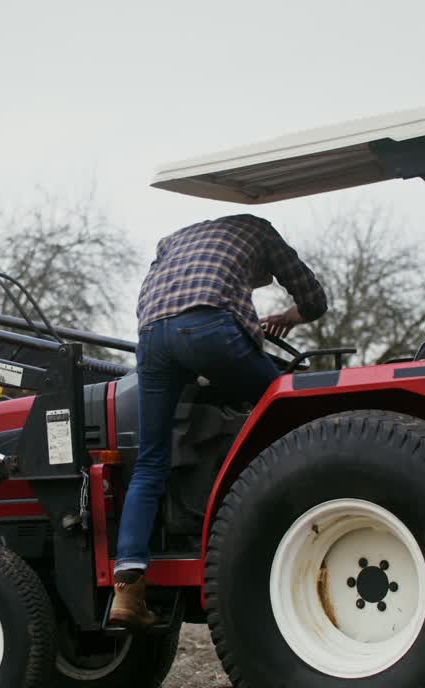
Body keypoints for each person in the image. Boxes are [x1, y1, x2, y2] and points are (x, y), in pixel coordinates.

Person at [109, 213, 328, 626]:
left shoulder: (172, 236)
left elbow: (146, 300)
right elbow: (314, 299)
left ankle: (128, 587)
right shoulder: (261, 229)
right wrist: (291, 317)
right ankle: (314, 504)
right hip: (209, 328)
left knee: (151, 462)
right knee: (291, 411)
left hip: (153, 335)